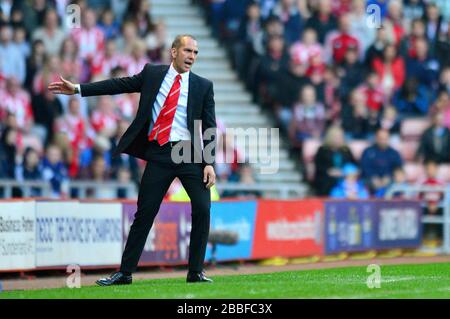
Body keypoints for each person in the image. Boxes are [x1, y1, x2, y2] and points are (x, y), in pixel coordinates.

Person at [48, 34, 217, 284]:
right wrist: (78, 89)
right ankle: (125, 273)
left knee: (203, 208)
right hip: (159, 153)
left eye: (195, 52)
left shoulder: (203, 86)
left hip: (189, 154)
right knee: (145, 213)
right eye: (187, 51)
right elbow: (119, 84)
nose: (192, 56)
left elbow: (209, 127)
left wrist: (209, 162)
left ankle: (195, 272)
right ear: (173, 52)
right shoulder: (152, 74)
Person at [360, 129, 403, 195]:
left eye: (385, 139)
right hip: (370, 180)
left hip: (390, 180)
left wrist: (389, 177)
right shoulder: (368, 152)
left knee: (399, 183)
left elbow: (398, 168)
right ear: (376, 138)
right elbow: (365, 167)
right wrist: (373, 177)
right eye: (381, 138)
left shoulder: (394, 153)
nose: (383, 141)